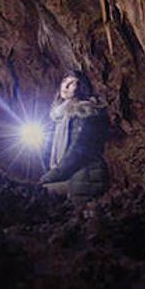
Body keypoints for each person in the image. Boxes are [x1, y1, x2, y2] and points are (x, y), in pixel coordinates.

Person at [40, 70, 109, 203]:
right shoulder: (58, 116)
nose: (65, 87)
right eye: (64, 82)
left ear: (81, 88)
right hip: (71, 175)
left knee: (42, 196)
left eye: (72, 83)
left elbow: (77, 151)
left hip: (85, 176)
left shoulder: (85, 113)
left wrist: (53, 175)